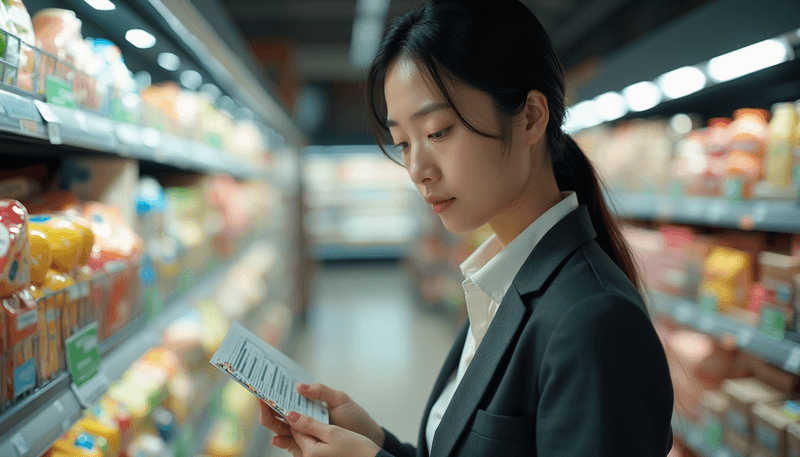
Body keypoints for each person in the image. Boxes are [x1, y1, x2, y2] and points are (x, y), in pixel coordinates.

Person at [258, 0, 675, 455]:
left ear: (531, 117)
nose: (418, 169)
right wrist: (376, 441)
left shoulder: (594, 322)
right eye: (402, 143)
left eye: (437, 131)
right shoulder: (497, 284)